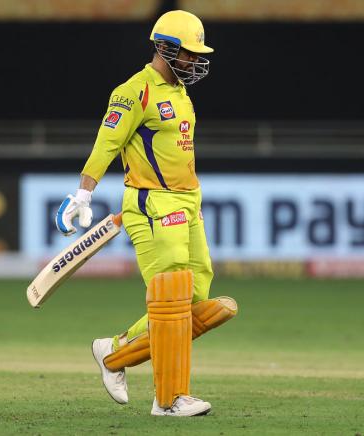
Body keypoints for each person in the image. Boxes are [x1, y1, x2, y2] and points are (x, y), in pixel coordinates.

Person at [56, 11, 237, 417]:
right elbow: (107, 142)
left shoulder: (180, 91)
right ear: (165, 48)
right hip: (153, 204)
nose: (195, 61)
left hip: (189, 202)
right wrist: (83, 194)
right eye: (189, 53)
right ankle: (169, 398)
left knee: (194, 301)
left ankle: (114, 353)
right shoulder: (133, 91)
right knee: (171, 298)